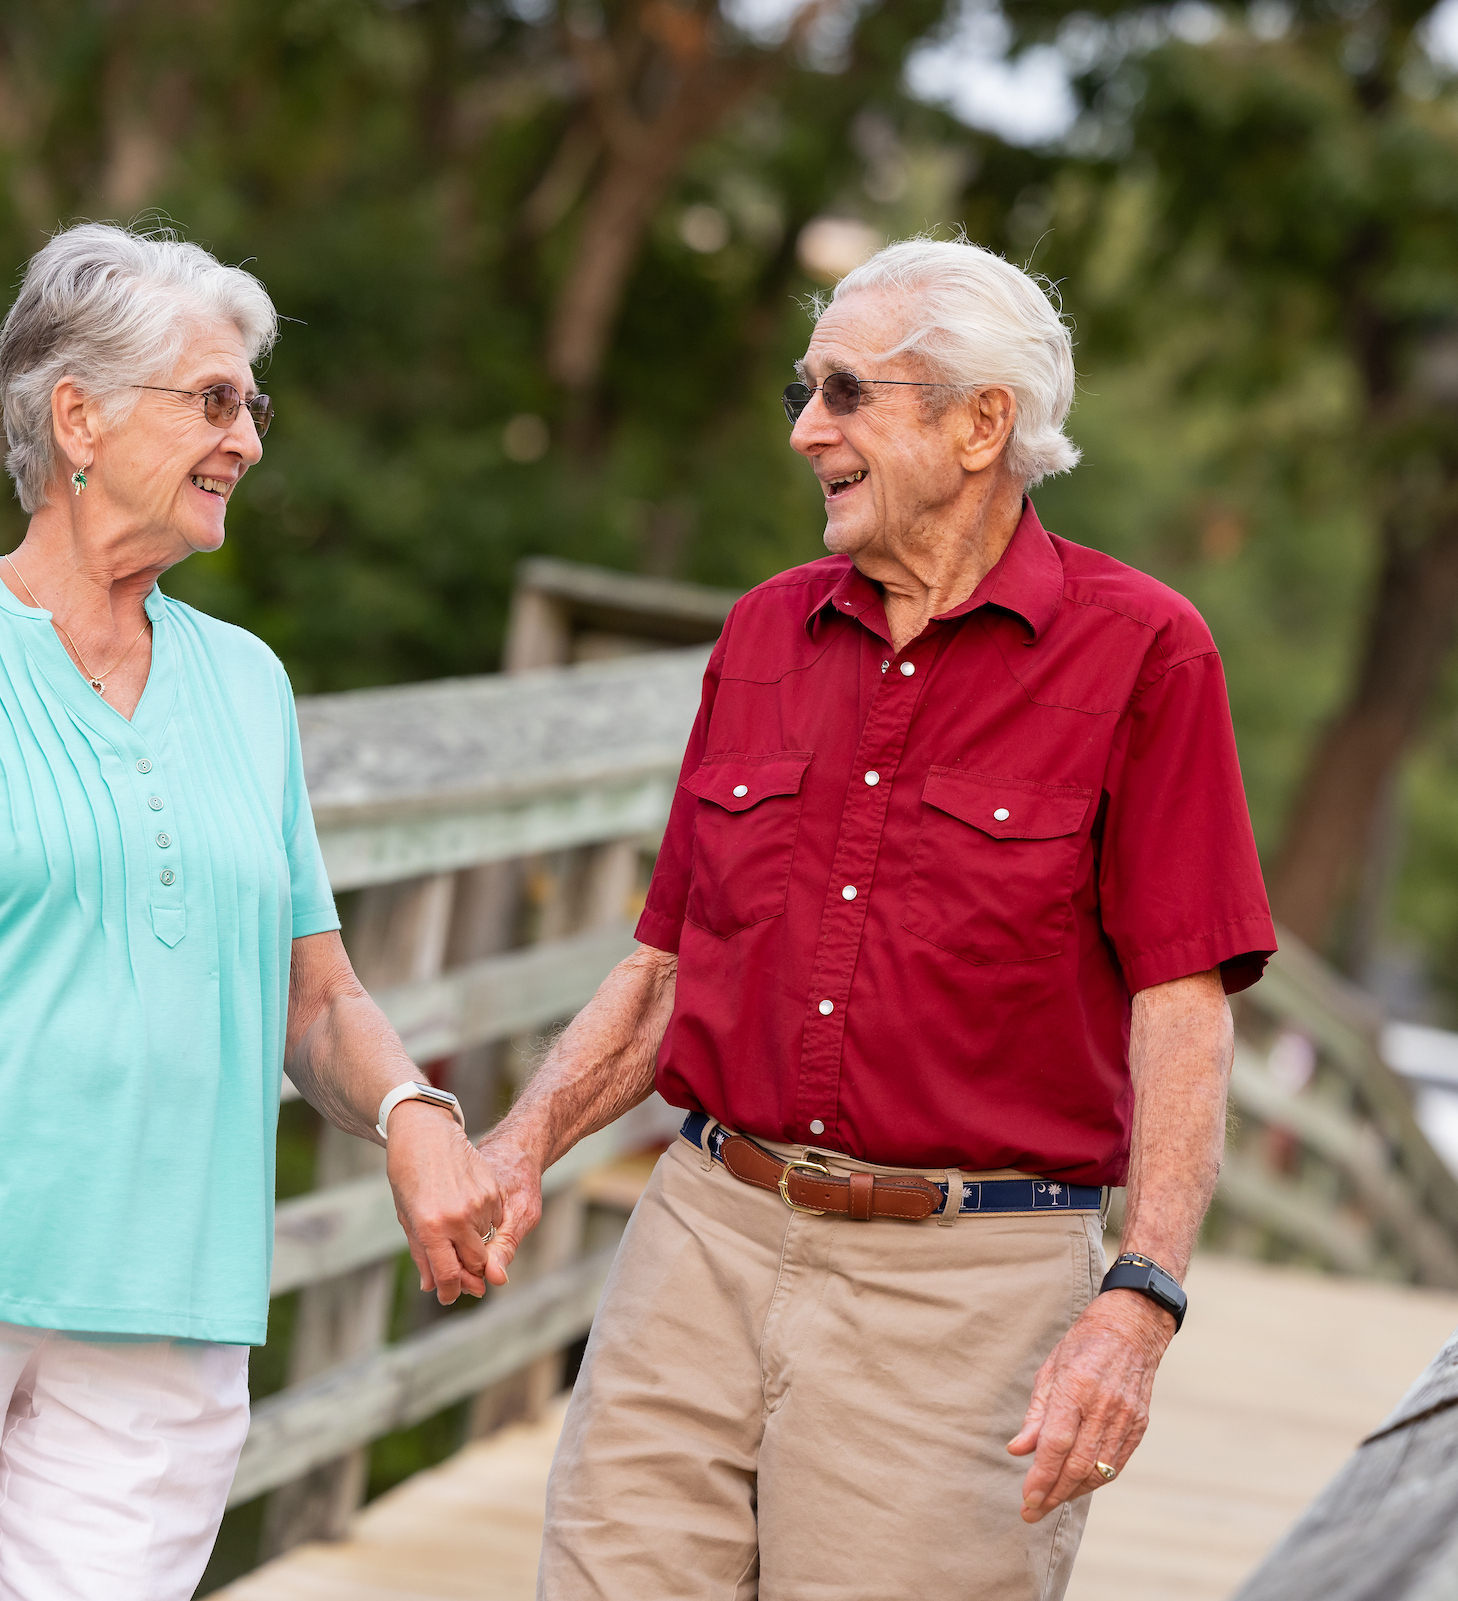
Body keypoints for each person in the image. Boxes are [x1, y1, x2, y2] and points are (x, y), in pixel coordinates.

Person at [0, 223, 506, 1600]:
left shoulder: (249, 683)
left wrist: (413, 1112)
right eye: (212, 397)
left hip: (165, 1313)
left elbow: (315, 993)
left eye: (252, 401)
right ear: (77, 414)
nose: (247, 436)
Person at [476, 236, 1277, 1601]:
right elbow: (666, 969)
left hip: (964, 1293)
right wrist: (520, 1143)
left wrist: (1139, 1300)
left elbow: (1182, 1007)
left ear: (981, 424)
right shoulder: (762, 636)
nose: (806, 430)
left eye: (846, 392)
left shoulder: (1146, 652)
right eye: (806, 389)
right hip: (702, 1239)